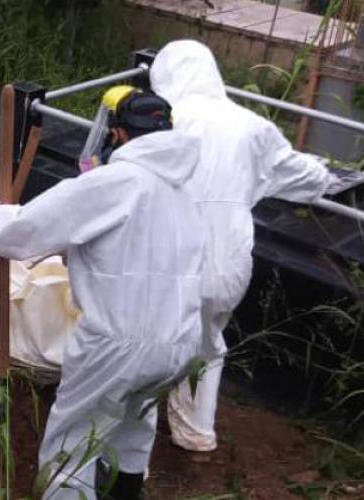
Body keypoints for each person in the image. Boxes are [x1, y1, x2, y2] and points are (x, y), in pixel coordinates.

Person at [0, 87, 206, 500]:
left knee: (72, 445)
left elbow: (26, 228)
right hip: (179, 343)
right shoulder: (186, 194)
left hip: (117, 344)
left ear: (118, 135)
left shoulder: (115, 182)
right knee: (132, 431)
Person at [149, 40, 340, 454]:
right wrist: (327, 175)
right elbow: (304, 176)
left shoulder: (165, 120)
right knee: (207, 343)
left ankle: (132, 459)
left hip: (171, 257)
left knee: (150, 346)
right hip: (227, 263)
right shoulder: (253, 127)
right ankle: (196, 433)